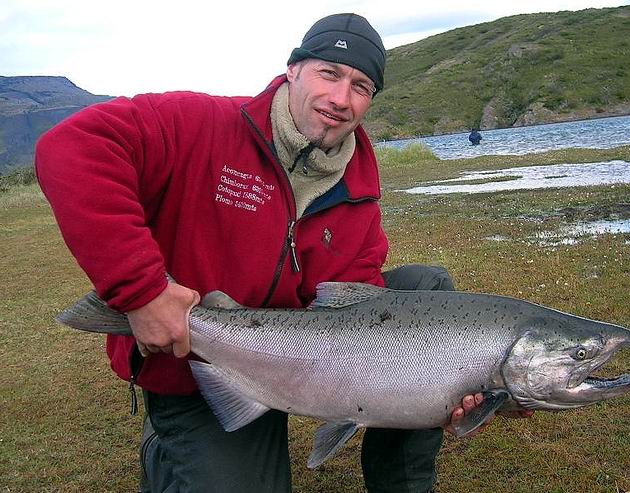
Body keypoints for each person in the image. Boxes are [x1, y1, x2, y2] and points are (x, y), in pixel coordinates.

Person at [35, 13, 530, 493]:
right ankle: (164, 447)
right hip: (190, 359)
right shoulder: (202, 125)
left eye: (360, 86)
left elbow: (355, 293)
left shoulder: (359, 187)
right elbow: (72, 146)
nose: (340, 99)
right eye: (329, 73)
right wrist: (143, 292)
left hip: (295, 351)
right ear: (293, 69)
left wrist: (443, 385)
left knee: (427, 288)